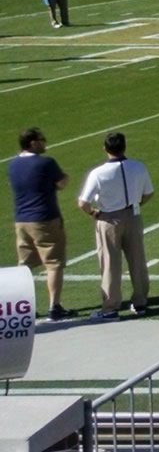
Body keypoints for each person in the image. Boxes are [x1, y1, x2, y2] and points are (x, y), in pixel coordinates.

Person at [77, 132, 153, 321]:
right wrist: (136, 204)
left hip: (109, 219)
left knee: (110, 263)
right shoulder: (138, 167)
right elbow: (149, 193)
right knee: (138, 260)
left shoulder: (98, 173)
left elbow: (83, 203)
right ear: (124, 147)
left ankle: (111, 307)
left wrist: (94, 213)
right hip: (133, 215)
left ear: (105, 149)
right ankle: (141, 301)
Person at [10, 128, 68, 321]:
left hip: (21, 220)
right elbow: (62, 183)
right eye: (42, 140)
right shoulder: (46, 163)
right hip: (44, 219)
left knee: (24, 266)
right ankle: (54, 306)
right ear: (33, 143)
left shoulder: (13, 164)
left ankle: (25, 309)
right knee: (53, 263)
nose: (45, 143)